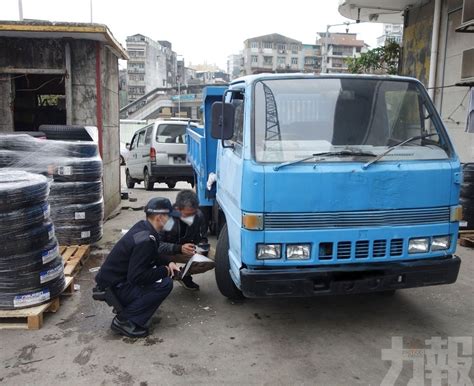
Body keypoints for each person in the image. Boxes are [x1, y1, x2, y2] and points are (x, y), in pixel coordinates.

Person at [95, 197, 181, 338]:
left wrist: (168, 263)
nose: (171, 221)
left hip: (114, 281)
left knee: (161, 279)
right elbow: (137, 277)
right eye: (169, 217)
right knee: (165, 284)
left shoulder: (145, 228)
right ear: (159, 217)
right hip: (116, 286)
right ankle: (125, 320)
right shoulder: (146, 240)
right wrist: (164, 271)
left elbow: (154, 253)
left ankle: (130, 311)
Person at [159, 190, 209, 291]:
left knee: (213, 258)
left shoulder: (199, 216)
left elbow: (203, 237)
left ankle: (181, 275)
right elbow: (156, 245)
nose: (191, 217)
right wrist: (179, 248)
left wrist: (201, 247)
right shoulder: (166, 218)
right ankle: (165, 273)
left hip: (187, 250)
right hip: (165, 252)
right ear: (177, 209)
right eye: (187, 214)